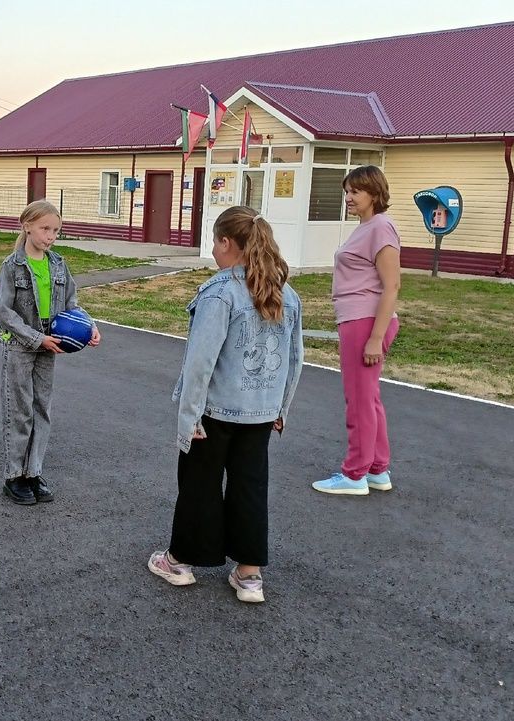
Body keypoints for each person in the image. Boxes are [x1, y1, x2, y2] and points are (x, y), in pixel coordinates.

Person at [147, 206, 303, 604]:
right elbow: (294, 359)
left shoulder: (219, 293)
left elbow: (200, 362)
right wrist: (281, 408)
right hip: (262, 411)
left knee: (199, 484)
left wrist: (188, 417)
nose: (213, 250)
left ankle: (180, 560)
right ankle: (250, 575)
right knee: (251, 487)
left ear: (226, 242)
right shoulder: (287, 294)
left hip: (215, 412)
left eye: (215, 241)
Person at [0, 200, 101, 506]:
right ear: (26, 226)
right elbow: (4, 312)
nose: (51, 236)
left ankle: (33, 472)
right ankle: (14, 476)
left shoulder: (58, 265)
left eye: (56, 230)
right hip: (21, 346)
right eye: (45, 229)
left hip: (50, 346)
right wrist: (36, 338)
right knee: (20, 410)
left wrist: (89, 326)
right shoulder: (11, 267)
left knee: (42, 409)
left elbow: (72, 304)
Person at [312, 165, 402, 496]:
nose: (349, 197)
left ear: (375, 194)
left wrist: (375, 339)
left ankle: (354, 474)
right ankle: (377, 469)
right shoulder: (367, 227)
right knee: (368, 397)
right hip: (358, 320)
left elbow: (392, 286)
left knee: (359, 399)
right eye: (347, 191)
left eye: (356, 192)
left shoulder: (381, 227)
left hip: (366, 322)